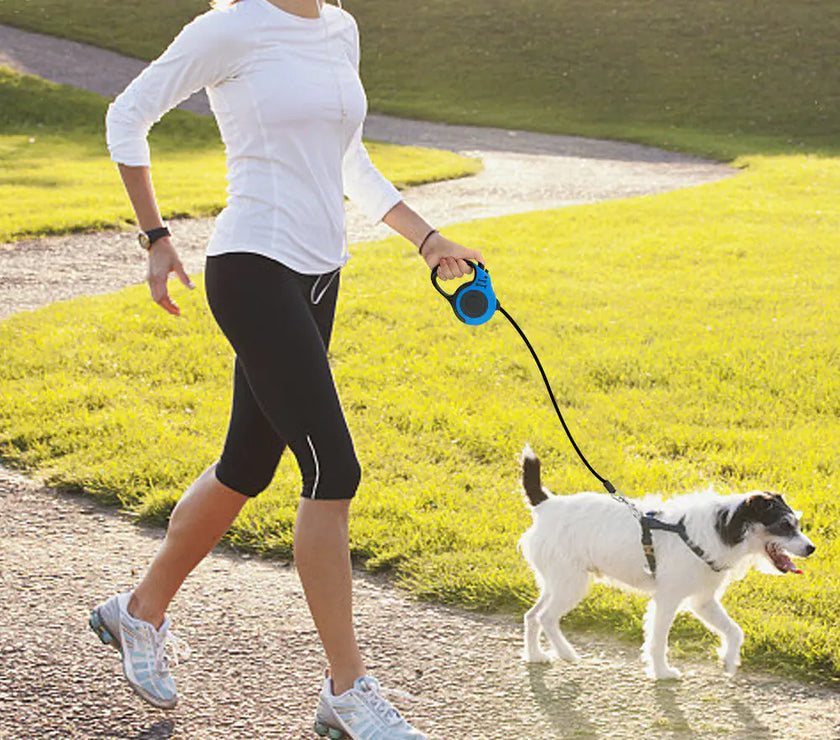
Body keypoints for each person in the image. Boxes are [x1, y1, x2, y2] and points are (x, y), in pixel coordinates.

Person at [88, 0, 483, 738]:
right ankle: (346, 689)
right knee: (334, 471)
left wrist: (426, 239)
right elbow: (127, 116)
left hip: (320, 275)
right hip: (251, 267)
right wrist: (155, 238)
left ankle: (136, 613)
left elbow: (348, 161)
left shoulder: (341, 28)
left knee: (246, 466)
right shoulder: (231, 28)